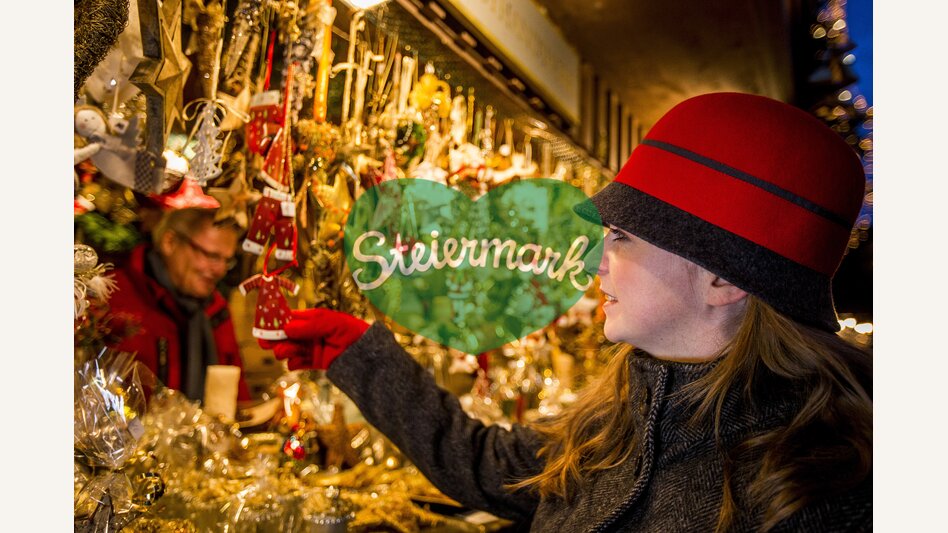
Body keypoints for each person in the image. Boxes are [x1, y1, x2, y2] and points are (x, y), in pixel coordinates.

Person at [262, 93, 872, 531]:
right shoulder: (626, 417)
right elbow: (488, 466)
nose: (594, 265)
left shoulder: (820, 490)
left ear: (719, 277)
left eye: (623, 238)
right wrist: (360, 356)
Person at [107, 207, 251, 401]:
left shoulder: (216, 311)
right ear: (170, 242)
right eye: (212, 256)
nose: (220, 270)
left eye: (227, 260)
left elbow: (238, 394)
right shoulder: (115, 295)